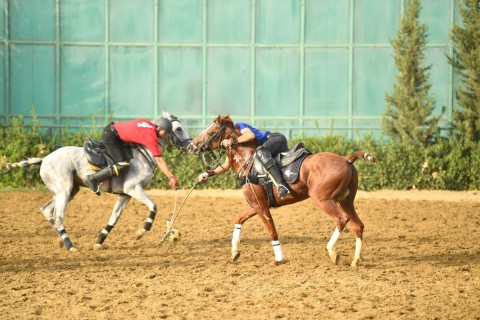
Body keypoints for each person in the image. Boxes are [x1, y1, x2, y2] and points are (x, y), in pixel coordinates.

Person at [83, 118, 178, 195]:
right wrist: (171, 176)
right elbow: (159, 160)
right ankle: (93, 179)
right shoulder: (151, 137)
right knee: (123, 163)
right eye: (165, 133)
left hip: (112, 129)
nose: (165, 136)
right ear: (159, 128)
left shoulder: (147, 123)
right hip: (112, 137)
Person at [198, 122, 291, 198]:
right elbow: (226, 166)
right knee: (260, 154)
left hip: (275, 139)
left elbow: (251, 136)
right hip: (267, 150)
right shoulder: (233, 147)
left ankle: (282, 185)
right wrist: (209, 173)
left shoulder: (239, 125)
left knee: (260, 152)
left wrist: (231, 141)